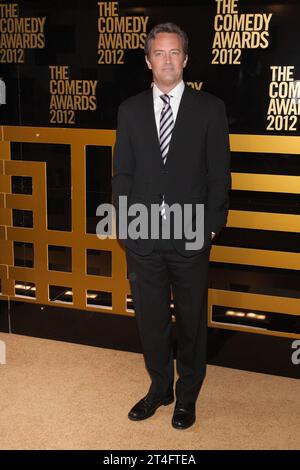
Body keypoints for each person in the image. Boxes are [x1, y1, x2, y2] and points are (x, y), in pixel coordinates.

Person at [112, 22, 231, 430]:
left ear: (185, 59)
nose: (167, 60)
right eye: (159, 53)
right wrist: (126, 227)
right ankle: (160, 387)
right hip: (142, 238)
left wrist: (211, 226)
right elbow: (122, 175)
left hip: (192, 235)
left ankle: (187, 395)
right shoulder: (128, 111)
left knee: (192, 323)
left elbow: (219, 174)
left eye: (174, 52)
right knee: (151, 320)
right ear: (147, 61)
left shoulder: (210, 108)